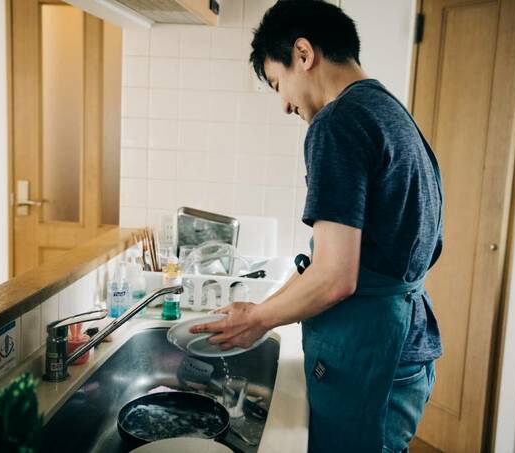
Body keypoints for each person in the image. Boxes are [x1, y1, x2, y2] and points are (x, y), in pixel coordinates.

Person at [190, 1, 443, 451]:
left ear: (303, 54)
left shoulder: (337, 123)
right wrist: (262, 310)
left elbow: (334, 276)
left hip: (370, 350)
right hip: (401, 345)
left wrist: (258, 320)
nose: (285, 105)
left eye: (278, 84)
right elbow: (333, 261)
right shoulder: (388, 110)